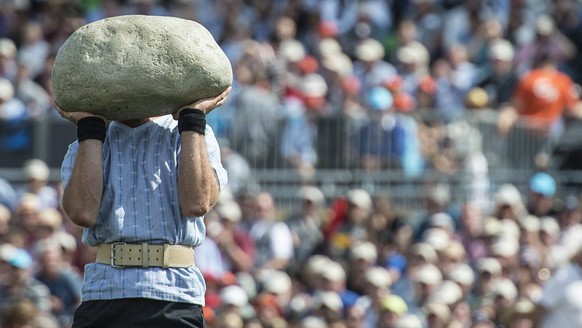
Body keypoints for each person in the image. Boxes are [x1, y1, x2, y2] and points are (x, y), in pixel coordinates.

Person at [56, 86, 231, 327]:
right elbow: (82, 212)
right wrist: (90, 128)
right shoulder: (90, 139)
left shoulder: (191, 132)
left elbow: (197, 203)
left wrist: (192, 118)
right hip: (105, 291)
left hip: (175, 292)